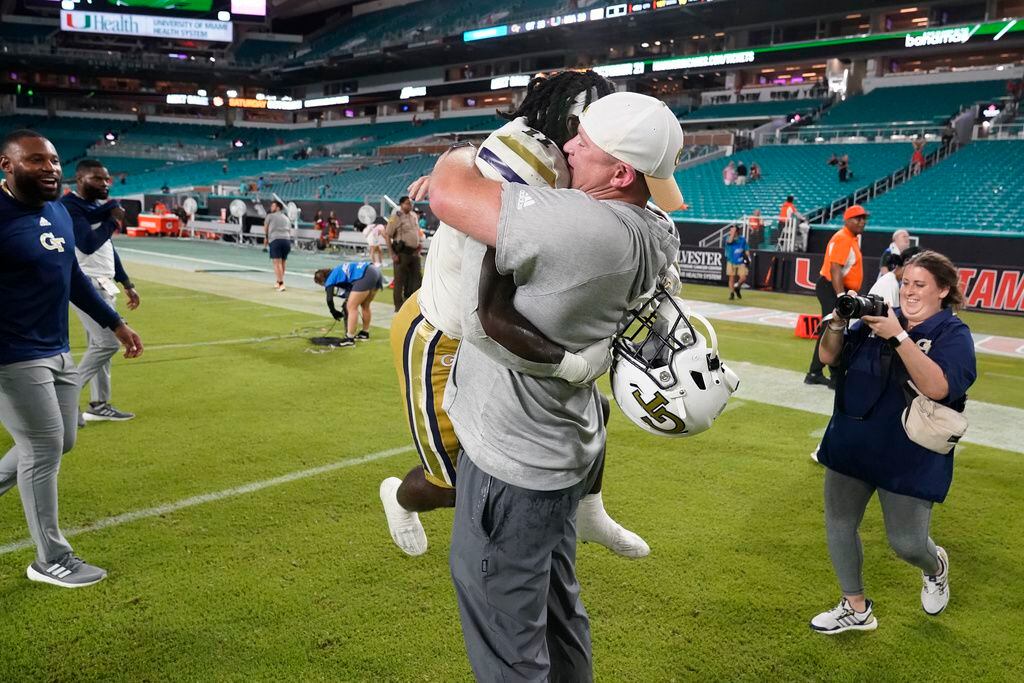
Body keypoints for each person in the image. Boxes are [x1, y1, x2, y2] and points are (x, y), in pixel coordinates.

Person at [427, 91, 682, 680]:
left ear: (620, 173)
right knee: (558, 613)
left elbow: (449, 191)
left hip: (513, 461)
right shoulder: (653, 227)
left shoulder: (584, 228)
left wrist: (472, 155)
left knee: (507, 640)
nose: (567, 146)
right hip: (561, 452)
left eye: (584, 144)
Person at [383, 71, 649, 563]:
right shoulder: (529, 154)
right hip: (446, 331)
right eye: (595, 123)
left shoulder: (578, 158)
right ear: (571, 121)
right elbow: (489, 306)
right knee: (453, 480)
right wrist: (452, 169)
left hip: (500, 328)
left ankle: (590, 510)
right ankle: (400, 498)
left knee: (593, 412)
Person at [0, 130, 143, 588]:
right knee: (43, 450)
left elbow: (74, 279)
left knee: (59, 442)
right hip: (14, 355)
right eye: (36, 160)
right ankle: (50, 559)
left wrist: (116, 323)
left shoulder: (57, 211)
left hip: (58, 350)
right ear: (7, 165)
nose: (49, 168)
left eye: (55, 160)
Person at [809, 250, 975, 634]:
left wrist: (898, 336)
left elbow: (939, 388)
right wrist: (836, 323)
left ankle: (935, 566)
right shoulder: (878, 319)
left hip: (908, 455)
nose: (910, 291)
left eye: (920, 285)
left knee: (907, 543)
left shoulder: (953, 334)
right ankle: (856, 607)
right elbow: (827, 355)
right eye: (906, 284)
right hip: (852, 440)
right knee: (838, 523)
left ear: (943, 290)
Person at [60, 159, 141, 423]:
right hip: (87, 284)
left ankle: (98, 404)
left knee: (100, 345)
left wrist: (126, 283)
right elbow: (87, 244)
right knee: (107, 344)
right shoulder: (70, 207)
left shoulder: (96, 207)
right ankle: (66, 399)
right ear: (80, 179)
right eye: (97, 179)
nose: (105, 183)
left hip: (103, 281)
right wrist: (113, 222)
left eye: (107, 179)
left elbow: (107, 250)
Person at [805, 205, 867, 387]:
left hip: (835, 288)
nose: (862, 221)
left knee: (833, 329)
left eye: (864, 218)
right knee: (832, 329)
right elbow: (835, 268)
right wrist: (841, 295)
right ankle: (828, 375)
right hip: (831, 287)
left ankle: (820, 373)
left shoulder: (850, 238)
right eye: (858, 218)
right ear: (847, 220)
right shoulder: (843, 238)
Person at [313, 262, 383, 347]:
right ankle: (364, 333)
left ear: (321, 281)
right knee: (365, 305)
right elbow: (351, 290)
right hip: (375, 271)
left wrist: (333, 311)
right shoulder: (337, 271)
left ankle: (349, 338)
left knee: (351, 306)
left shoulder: (330, 279)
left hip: (365, 274)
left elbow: (329, 299)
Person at [385, 195, 422, 312]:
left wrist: (418, 243)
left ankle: (414, 305)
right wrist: (392, 254)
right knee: (399, 281)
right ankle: (398, 307)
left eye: (410, 203)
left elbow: (416, 232)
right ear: (401, 205)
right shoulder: (396, 217)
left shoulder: (414, 216)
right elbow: (387, 235)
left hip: (415, 253)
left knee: (416, 280)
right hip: (401, 253)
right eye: (407, 203)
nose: (409, 205)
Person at [264, 200, 293, 291]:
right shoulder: (286, 218)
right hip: (287, 241)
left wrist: (266, 238)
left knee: (277, 263)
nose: (271, 208)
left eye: (273, 206)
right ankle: (279, 281)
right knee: (283, 262)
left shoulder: (269, 216)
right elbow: (289, 230)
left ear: (278, 208)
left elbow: (266, 228)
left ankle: (281, 284)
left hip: (276, 240)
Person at [724, 225, 750, 300]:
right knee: (731, 278)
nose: (731, 232)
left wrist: (748, 258)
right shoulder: (728, 238)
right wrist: (732, 233)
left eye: (733, 230)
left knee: (743, 277)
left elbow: (746, 249)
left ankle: (737, 287)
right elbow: (730, 241)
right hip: (731, 260)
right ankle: (732, 293)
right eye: (730, 230)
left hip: (741, 260)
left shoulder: (742, 239)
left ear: (737, 231)